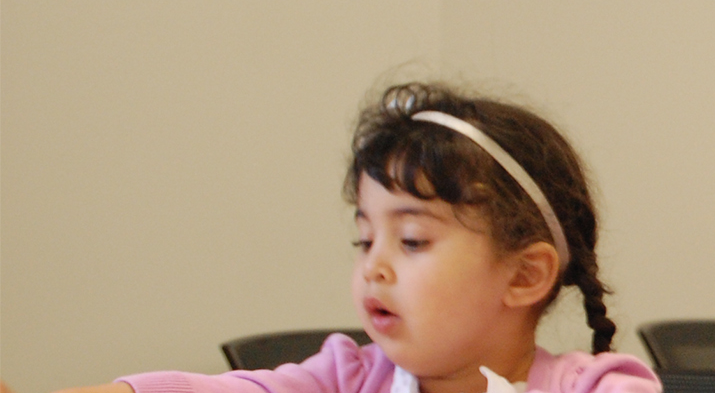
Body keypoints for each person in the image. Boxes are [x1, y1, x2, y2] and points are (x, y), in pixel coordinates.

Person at [56, 83, 662, 393]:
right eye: (365, 240)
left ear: (526, 275)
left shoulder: (596, 387)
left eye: (414, 241)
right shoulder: (346, 378)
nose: (375, 267)